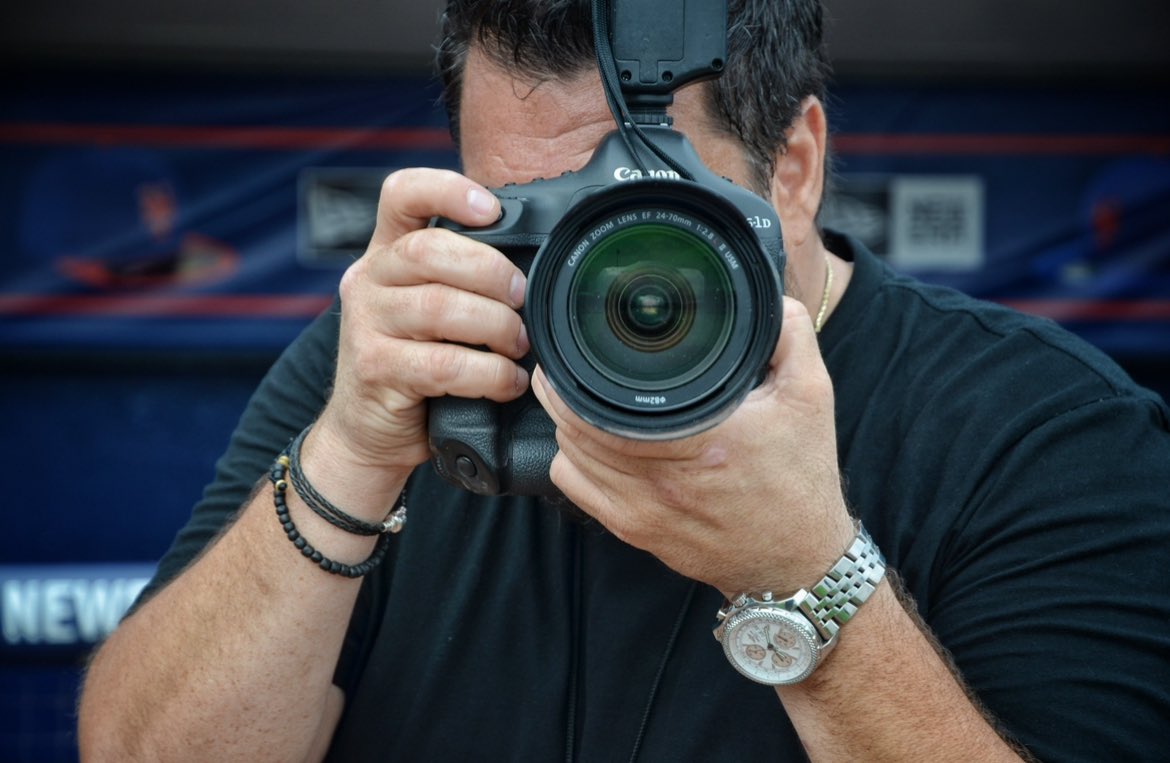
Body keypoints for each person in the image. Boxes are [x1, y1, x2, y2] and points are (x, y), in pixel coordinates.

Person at [78, 1, 1170, 760]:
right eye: (531, 215)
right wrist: (350, 456)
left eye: (642, 211)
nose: (596, 277)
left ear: (793, 167)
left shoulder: (1042, 429)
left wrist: (809, 575)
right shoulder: (408, 368)